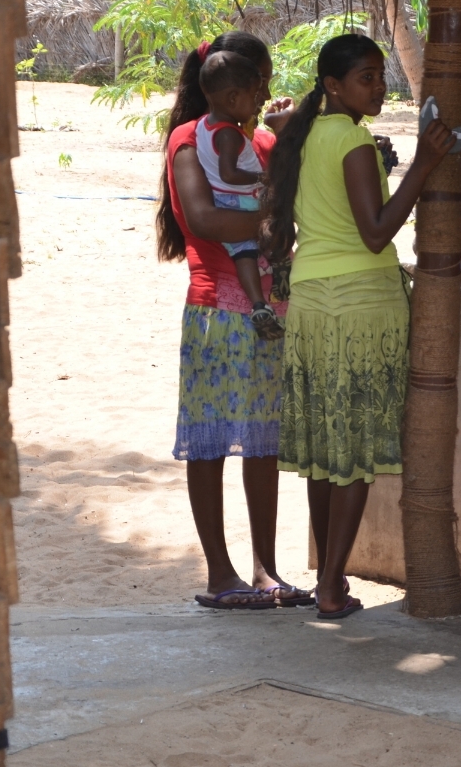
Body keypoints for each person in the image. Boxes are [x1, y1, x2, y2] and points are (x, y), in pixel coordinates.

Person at [261, 33, 455, 618]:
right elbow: (376, 231)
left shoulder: (307, 135)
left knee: (326, 448)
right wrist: (423, 165)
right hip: (360, 307)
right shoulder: (350, 139)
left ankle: (330, 578)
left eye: (379, 75)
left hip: (315, 304)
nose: (379, 86)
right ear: (332, 86)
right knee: (355, 451)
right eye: (366, 78)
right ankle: (329, 584)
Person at [157, 30, 309, 609]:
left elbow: (280, 220)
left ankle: (265, 569)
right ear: (233, 88)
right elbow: (204, 220)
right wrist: (269, 218)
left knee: (262, 443)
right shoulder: (189, 140)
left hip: (266, 308)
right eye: (259, 83)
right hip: (216, 310)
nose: (266, 92)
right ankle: (221, 573)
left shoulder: (258, 144)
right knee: (212, 442)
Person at [194, 49, 284, 339]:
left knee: (244, 253)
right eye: (254, 95)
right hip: (244, 198)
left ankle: (258, 303)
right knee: (279, 220)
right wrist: (264, 177)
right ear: (233, 98)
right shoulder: (228, 133)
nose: (260, 101)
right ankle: (279, 275)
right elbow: (229, 173)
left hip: (225, 201)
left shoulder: (202, 127)